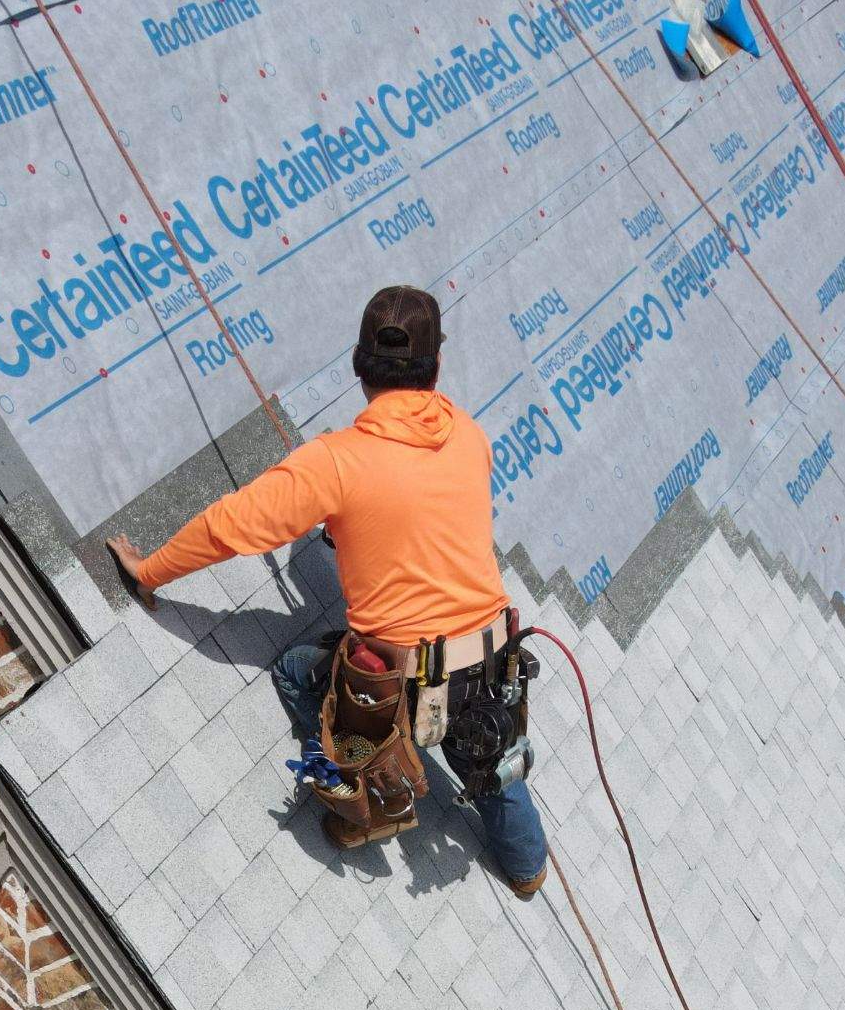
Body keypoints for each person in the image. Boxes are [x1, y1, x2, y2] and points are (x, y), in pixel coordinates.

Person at [107, 287, 548, 896]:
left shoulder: (336, 464)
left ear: (358, 366)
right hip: (493, 658)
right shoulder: (470, 436)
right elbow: (427, 515)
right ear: (436, 366)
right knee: (493, 763)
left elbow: (226, 527)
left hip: (402, 680)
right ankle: (527, 871)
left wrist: (148, 569)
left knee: (294, 671)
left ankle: (357, 801)